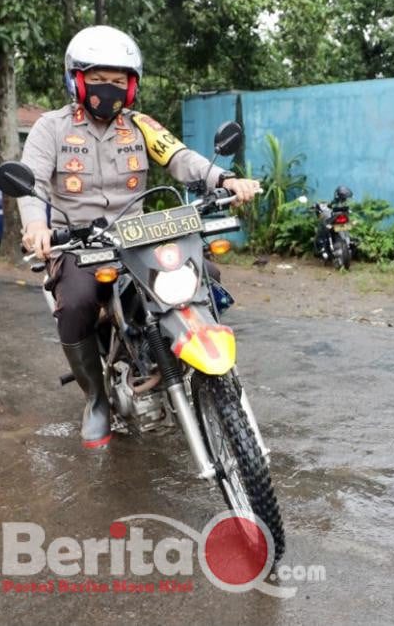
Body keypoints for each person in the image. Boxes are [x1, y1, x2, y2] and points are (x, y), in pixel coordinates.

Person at [17, 25, 261, 449]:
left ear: (131, 87)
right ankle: (95, 398)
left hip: (138, 240)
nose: (108, 89)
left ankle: (190, 368)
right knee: (75, 303)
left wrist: (224, 178)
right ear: (76, 79)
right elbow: (34, 184)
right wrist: (37, 225)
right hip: (81, 246)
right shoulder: (50, 128)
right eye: (98, 79)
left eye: (118, 81)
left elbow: (181, 159)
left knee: (205, 276)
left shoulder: (141, 126)